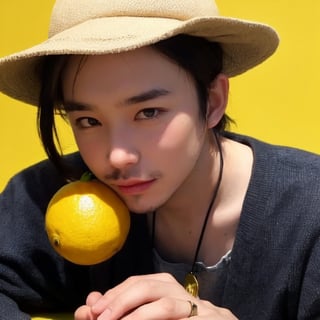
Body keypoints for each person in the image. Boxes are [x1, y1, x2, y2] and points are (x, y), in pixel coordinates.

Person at [0, 0, 320, 319]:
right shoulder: (56, 197)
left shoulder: (308, 211)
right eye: (88, 120)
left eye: (148, 112)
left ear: (212, 101)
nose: (118, 155)